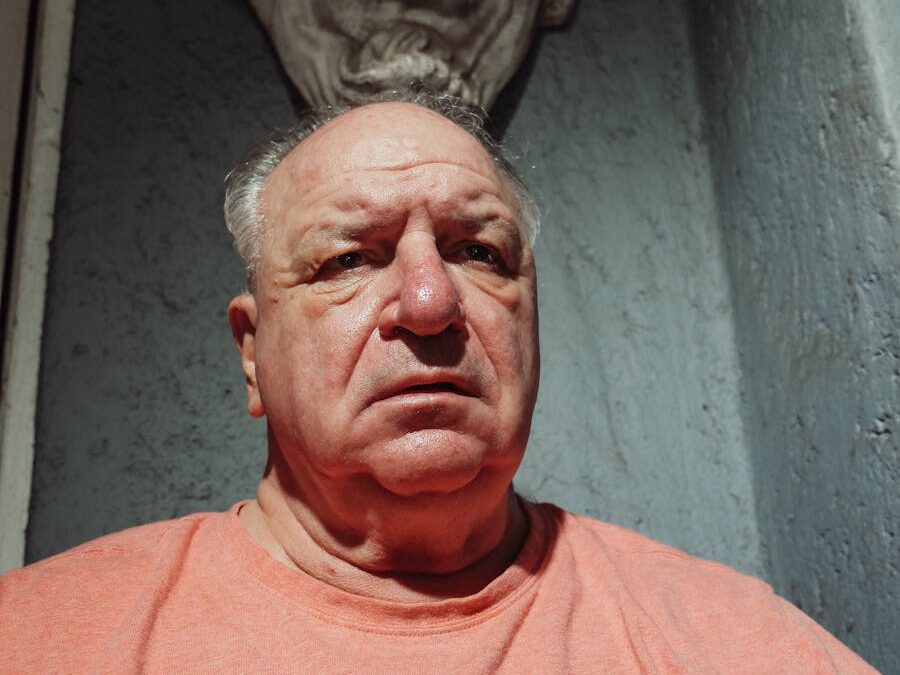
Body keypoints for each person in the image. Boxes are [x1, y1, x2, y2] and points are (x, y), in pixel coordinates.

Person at [0, 92, 876, 673]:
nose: (429, 302)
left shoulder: (735, 641)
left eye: (478, 252)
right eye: (349, 257)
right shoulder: (42, 637)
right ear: (251, 352)